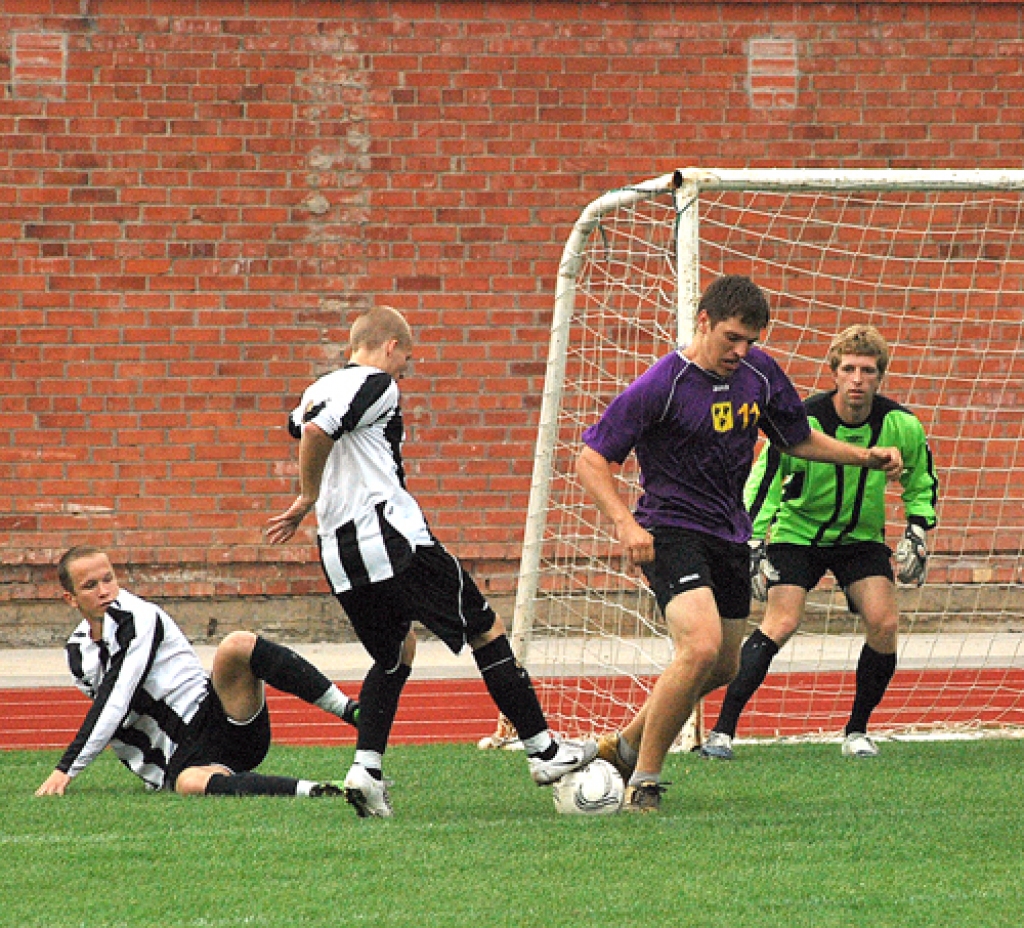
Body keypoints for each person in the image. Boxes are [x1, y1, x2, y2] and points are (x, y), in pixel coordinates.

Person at [577, 276, 904, 812]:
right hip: (671, 529)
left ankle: (626, 745)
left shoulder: (759, 372)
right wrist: (624, 525)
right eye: (732, 337)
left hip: (730, 532)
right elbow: (591, 460)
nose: (741, 351)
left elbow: (795, 437)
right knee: (700, 646)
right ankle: (646, 779)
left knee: (723, 666)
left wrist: (865, 456)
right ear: (702, 321)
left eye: (751, 340)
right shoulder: (662, 383)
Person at [266, 304, 596, 818]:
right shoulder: (377, 382)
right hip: (396, 542)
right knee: (487, 628)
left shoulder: (315, 390)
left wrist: (314, 500)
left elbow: (301, 425)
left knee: (396, 652)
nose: (406, 372)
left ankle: (367, 771)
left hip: (339, 554)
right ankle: (544, 752)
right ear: (391, 347)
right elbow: (315, 435)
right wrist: (307, 496)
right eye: (407, 359)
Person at [702, 324, 938, 761]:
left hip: (860, 539)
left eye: (867, 370)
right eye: (848, 368)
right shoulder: (802, 422)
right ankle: (721, 733)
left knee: (884, 623)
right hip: (797, 535)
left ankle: (856, 732)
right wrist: (753, 542)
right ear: (833, 372)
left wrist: (918, 528)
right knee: (781, 622)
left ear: (879, 377)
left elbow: (920, 481)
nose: (857, 378)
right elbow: (764, 483)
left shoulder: (901, 426)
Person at [35, 545, 360, 798]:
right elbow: (117, 720)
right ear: (71, 598)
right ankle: (320, 789)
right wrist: (154, 773)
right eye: (90, 586)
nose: (105, 591)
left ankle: (353, 712)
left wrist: (66, 770)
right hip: (185, 756)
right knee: (190, 783)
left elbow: (117, 698)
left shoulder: (139, 618)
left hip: (221, 720)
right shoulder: (78, 655)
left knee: (236, 645)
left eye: (109, 579)